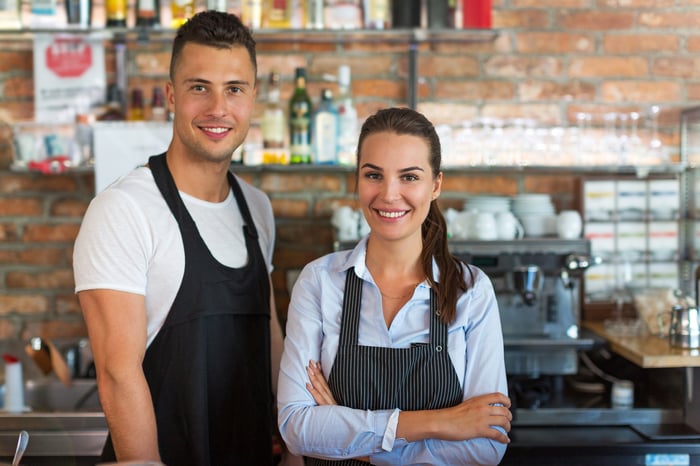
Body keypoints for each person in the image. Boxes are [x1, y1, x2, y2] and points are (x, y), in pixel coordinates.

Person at [73, 11, 288, 465]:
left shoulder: (257, 208)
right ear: (172, 96)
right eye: (198, 87)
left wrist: (294, 445)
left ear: (253, 98)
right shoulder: (124, 210)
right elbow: (117, 373)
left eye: (234, 89)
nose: (217, 108)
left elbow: (269, 336)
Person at [277, 107, 512, 465]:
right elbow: (297, 427)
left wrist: (356, 447)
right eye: (374, 175)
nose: (388, 194)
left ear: (435, 185)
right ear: (357, 179)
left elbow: (485, 447)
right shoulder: (320, 282)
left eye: (409, 177)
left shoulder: (471, 291)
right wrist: (440, 422)